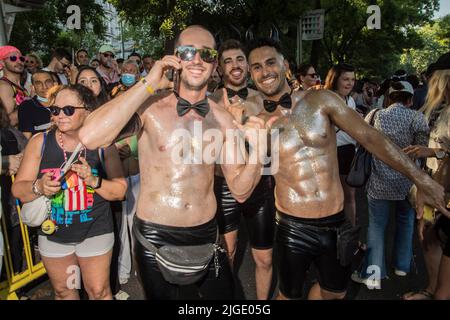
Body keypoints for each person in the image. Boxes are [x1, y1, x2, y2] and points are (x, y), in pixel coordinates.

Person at [244, 38, 449, 300]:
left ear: (284, 64)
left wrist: (421, 179)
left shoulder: (321, 99)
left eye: (270, 62)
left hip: (334, 223)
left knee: (336, 293)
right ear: (251, 74)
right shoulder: (253, 119)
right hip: (291, 226)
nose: (265, 71)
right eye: (257, 67)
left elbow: (370, 137)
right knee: (288, 295)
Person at [79, 25, 268, 300]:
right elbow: (89, 136)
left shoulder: (222, 119)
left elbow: (240, 191)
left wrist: (259, 152)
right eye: (188, 51)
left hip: (207, 235)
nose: (197, 60)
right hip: (154, 238)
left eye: (206, 54)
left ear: (215, 63)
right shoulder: (151, 108)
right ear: (175, 58)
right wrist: (148, 83)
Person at [12, 84, 127, 300]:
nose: (60, 115)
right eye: (55, 110)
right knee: (65, 292)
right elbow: (19, 189)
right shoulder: (40, 142)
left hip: (95, 230)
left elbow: (119, 191)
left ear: (88, 111)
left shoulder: (103, 144)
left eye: (68, 109)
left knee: (99, 292)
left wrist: (93, 180)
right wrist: (39, 187)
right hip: (54, 232)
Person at [210, 39, 275, 300]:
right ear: (220, 68)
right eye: (228, 61)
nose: (235, 65)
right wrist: (224, 121)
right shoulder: (210, 101)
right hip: (223, 186)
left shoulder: (264, 98)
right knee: (228, 253)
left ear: (247, 65)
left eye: (239, 59)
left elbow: (274, 146)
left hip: (260, 185)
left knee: (265, 258)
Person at [351, 81, 429, 288]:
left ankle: (374, 274)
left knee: (376, 226)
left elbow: (362, 142)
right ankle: (402, 266)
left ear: (389, 98)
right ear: (410, 99)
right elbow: (422, 151)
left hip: (379, 182)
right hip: (407, 182)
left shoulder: (376, 115)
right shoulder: (417, 117)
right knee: (406, 222)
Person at [402, 53, 450, 300]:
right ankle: (433, 288)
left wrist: (433, 151)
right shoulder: (442, 108)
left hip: (443, 189)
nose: (429, 83)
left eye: (434, 78)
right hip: (433, 183)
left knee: (431, 234)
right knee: (428, 236)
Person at [324, 63, 358, 226]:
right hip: (327, 153)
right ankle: (330, 232)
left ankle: (351, 235)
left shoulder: (350, 100)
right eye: (345, 79)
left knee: (349, 196)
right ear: (335, 79)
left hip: (348, 152)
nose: (350, 83)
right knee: (331, 195)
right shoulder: (324, 99)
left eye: (352, 79)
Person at [18, 70, 56, 139]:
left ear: (55, 84)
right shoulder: (26, 107)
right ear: (33, 87)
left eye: (48, 82)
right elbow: (27, 138)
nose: (44, 87)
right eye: (38, 83)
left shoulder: (63, 102)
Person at [0, 46, 29, 127]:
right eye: (13, 58)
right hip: (14, 138)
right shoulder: (4, 86)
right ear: (2, 63)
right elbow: (6, 121)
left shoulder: (20, 86)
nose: (19, 61)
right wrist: (33, 106)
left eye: (21, 58)